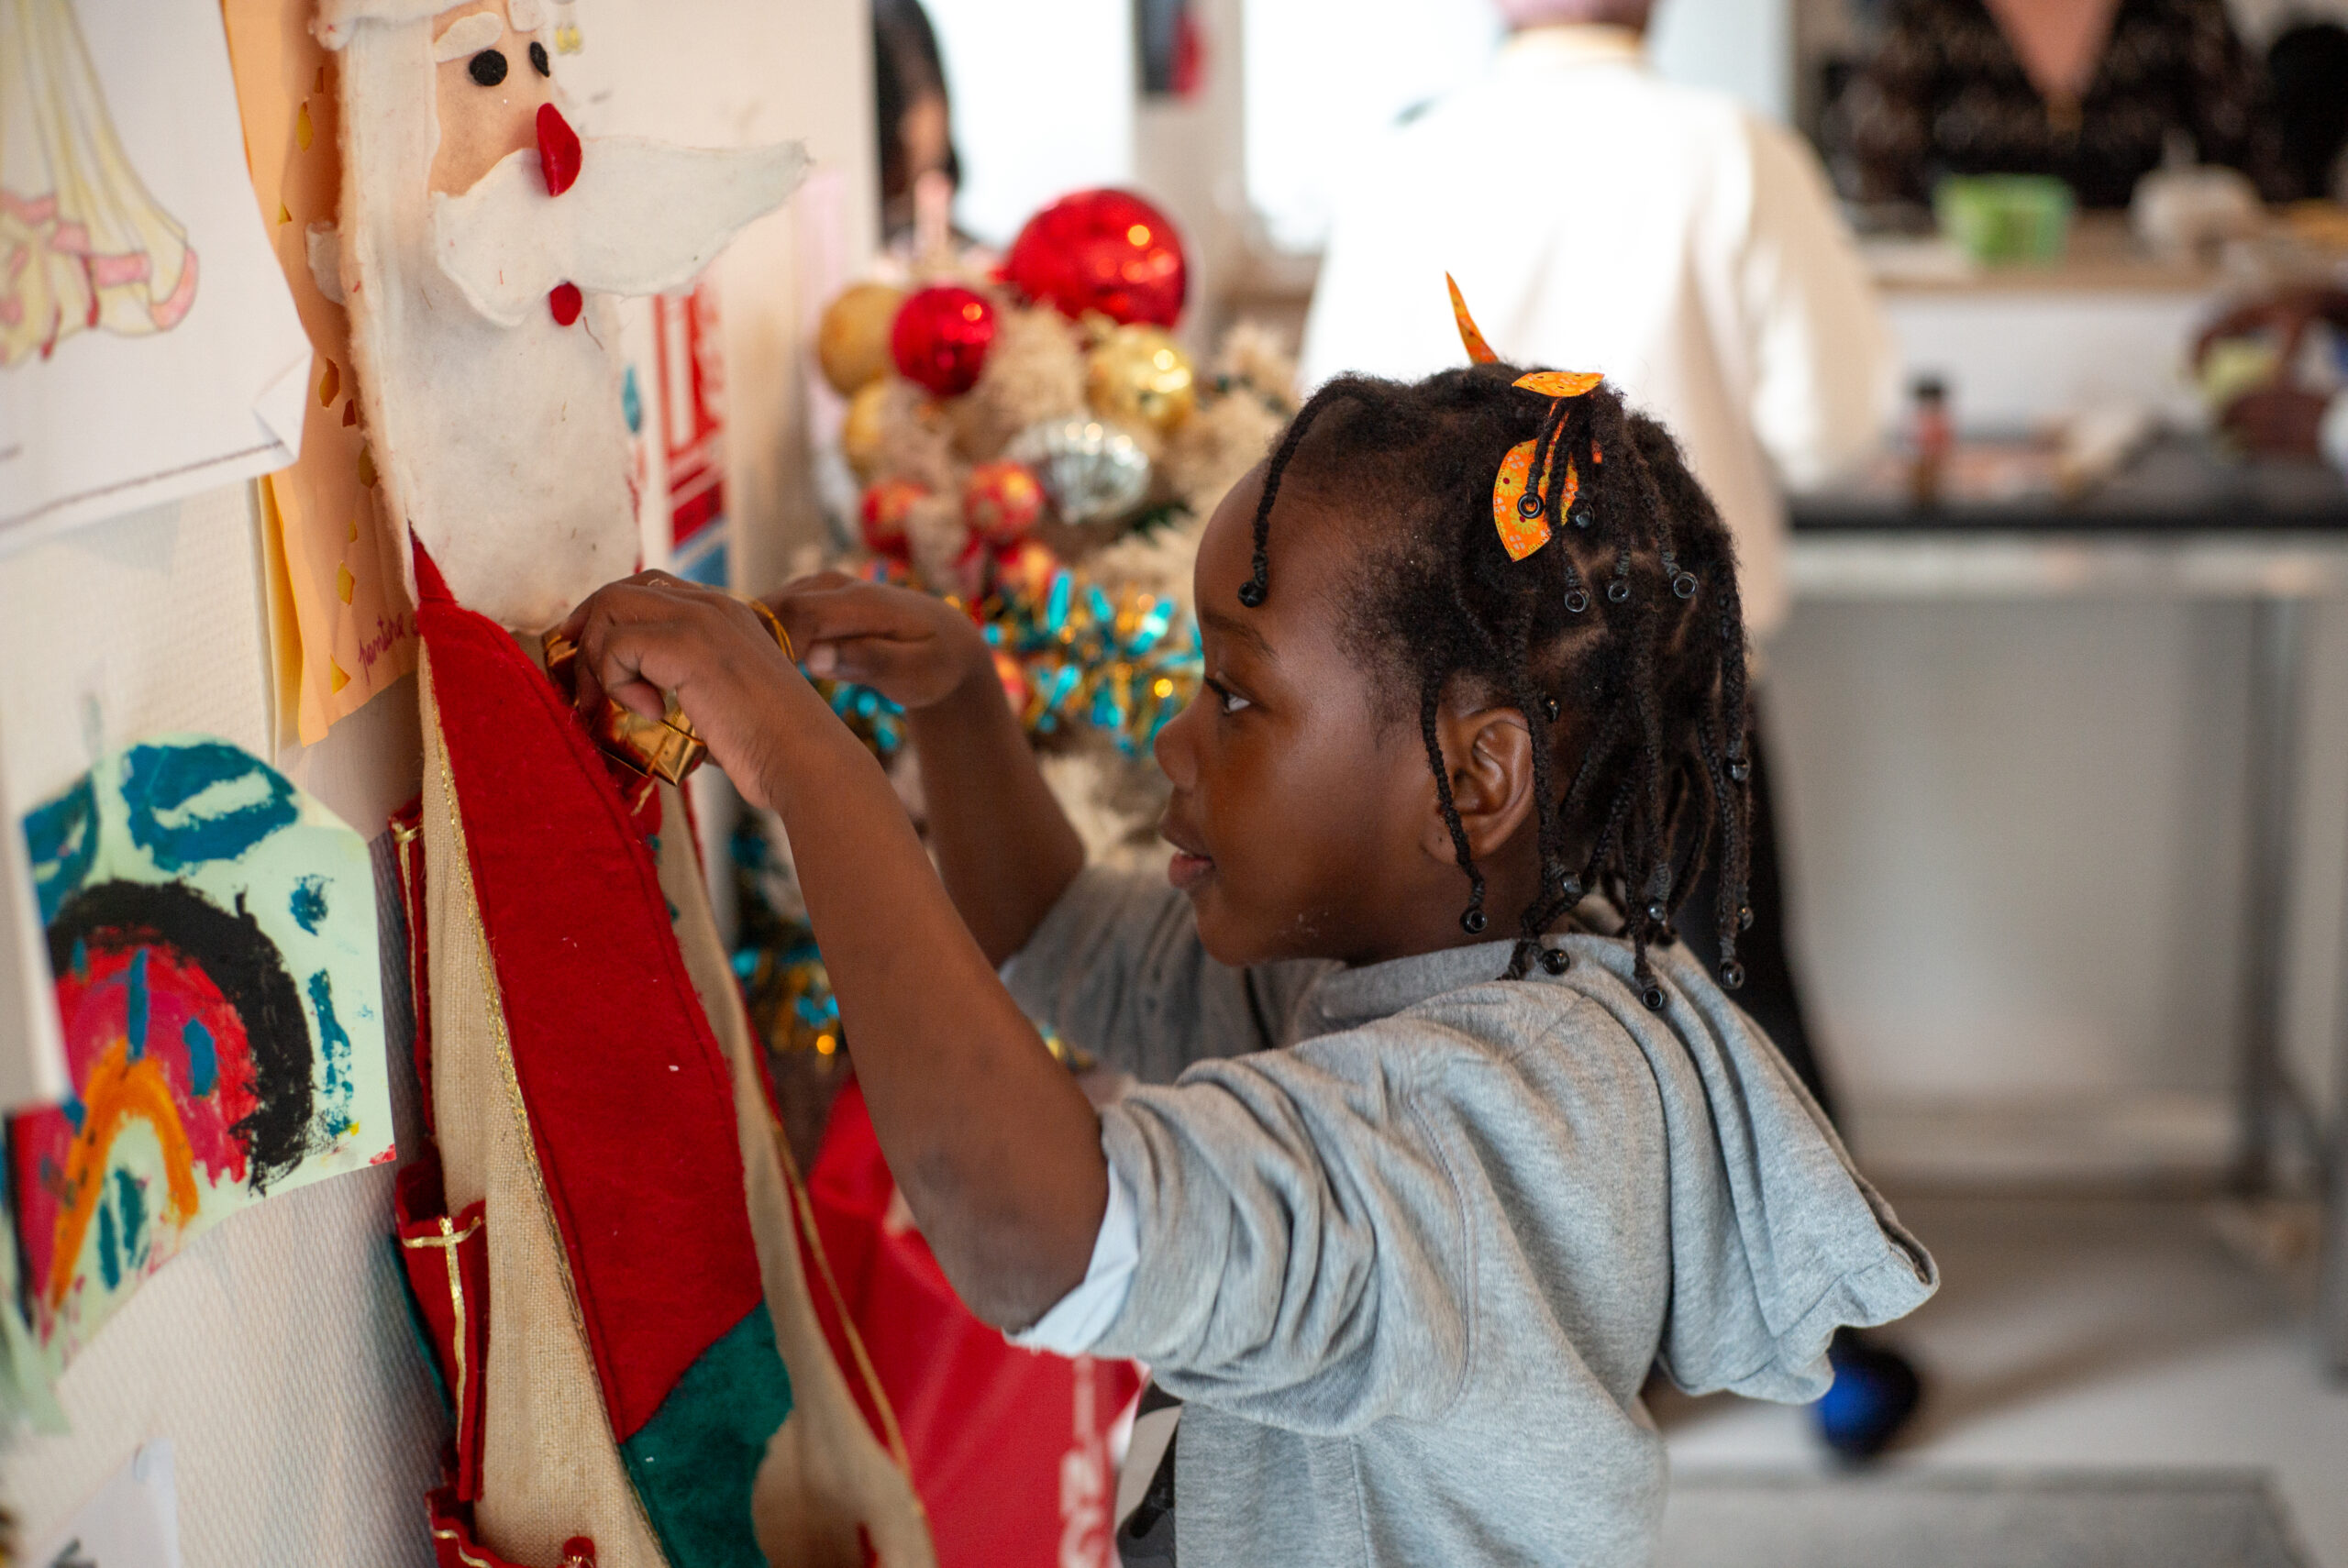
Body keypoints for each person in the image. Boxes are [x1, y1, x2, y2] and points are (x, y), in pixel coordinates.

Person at [556, 346, 1936, 1565]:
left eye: (1236, 694)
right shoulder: (1421, 972)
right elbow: (1062, 946)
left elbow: (1037, 1232)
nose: (1178, 740)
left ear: (1476, 771)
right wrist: (963, 710)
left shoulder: (1462, 1126)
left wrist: (804, 763)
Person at [1302, 0, 1925, 1456]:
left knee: (1485, 1005)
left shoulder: (1413, 161)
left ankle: (1541, 1355)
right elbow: (1837, 416)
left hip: (1460, 688)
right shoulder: (1729, 150)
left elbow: (1327, 425)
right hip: (1667, 664)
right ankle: (1822, 1349)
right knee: (1728, 984)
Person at [1822, 0, 2292, 209]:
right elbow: (1866, 194)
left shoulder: (2179, 12)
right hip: (1968, 314)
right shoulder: (1923, 12)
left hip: (2134, 307)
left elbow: (2262, 178)